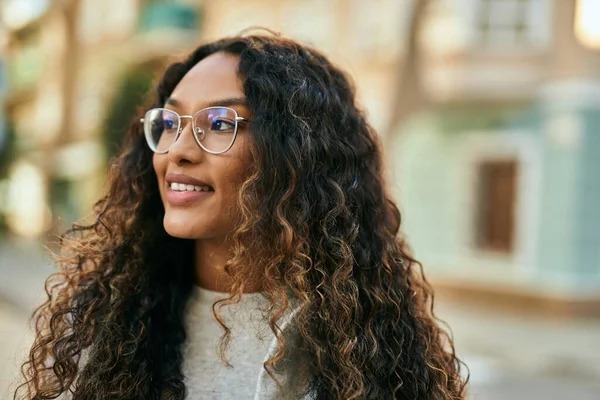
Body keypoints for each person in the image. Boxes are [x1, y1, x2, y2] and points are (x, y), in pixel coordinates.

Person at [15, 32, 467, 399]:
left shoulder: (368, 344)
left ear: (295, 156)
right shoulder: (103, 322)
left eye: (220, 124)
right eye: (169, 123)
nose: (179, 151)